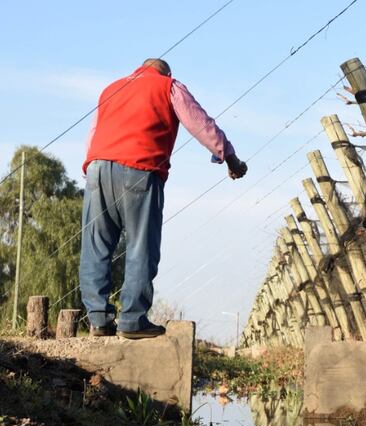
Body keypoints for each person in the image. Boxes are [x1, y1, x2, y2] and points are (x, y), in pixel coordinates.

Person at [79, 58, 247, 339]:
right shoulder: (169, 86)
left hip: (97, 167)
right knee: (141, 246)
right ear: (166, 72)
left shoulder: (111, 89)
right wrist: (229, 156)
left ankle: (98, 319)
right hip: (140, 168)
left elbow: (93, 133)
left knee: (95, 246)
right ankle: (132, 320)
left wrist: (93, 170)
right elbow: (200, 123)